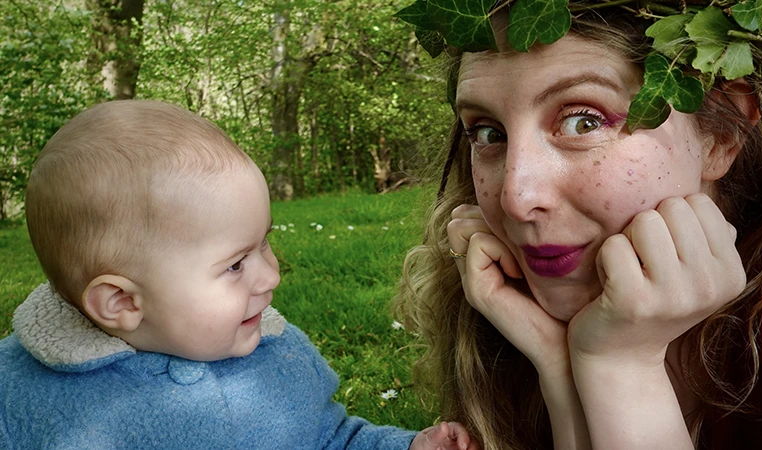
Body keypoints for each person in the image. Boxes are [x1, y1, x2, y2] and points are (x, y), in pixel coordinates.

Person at [395, 2, 762, 449]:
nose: (516, 199)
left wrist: (623, 368)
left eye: (583, 120)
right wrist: (562, 369)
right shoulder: (501, 322)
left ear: (723, 135)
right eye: (489, 133)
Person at [0, 99, 476, 450]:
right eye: (235, 264)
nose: (270, 276)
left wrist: (408, 447)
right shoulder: (20, 394)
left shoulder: (280, 354)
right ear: (122, 303)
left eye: (264, 243)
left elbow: (330, 439)